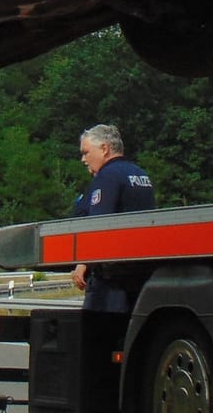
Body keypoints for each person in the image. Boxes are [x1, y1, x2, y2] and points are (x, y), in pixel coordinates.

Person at [70, 124, 155, 313]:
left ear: (104, 149)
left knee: (98, 336)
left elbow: (99, 225)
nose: (83, 159)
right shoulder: (140, 175)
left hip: (110, 281)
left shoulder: (107, 177)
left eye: (86, 152)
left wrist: (83, 263)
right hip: (139, 274)